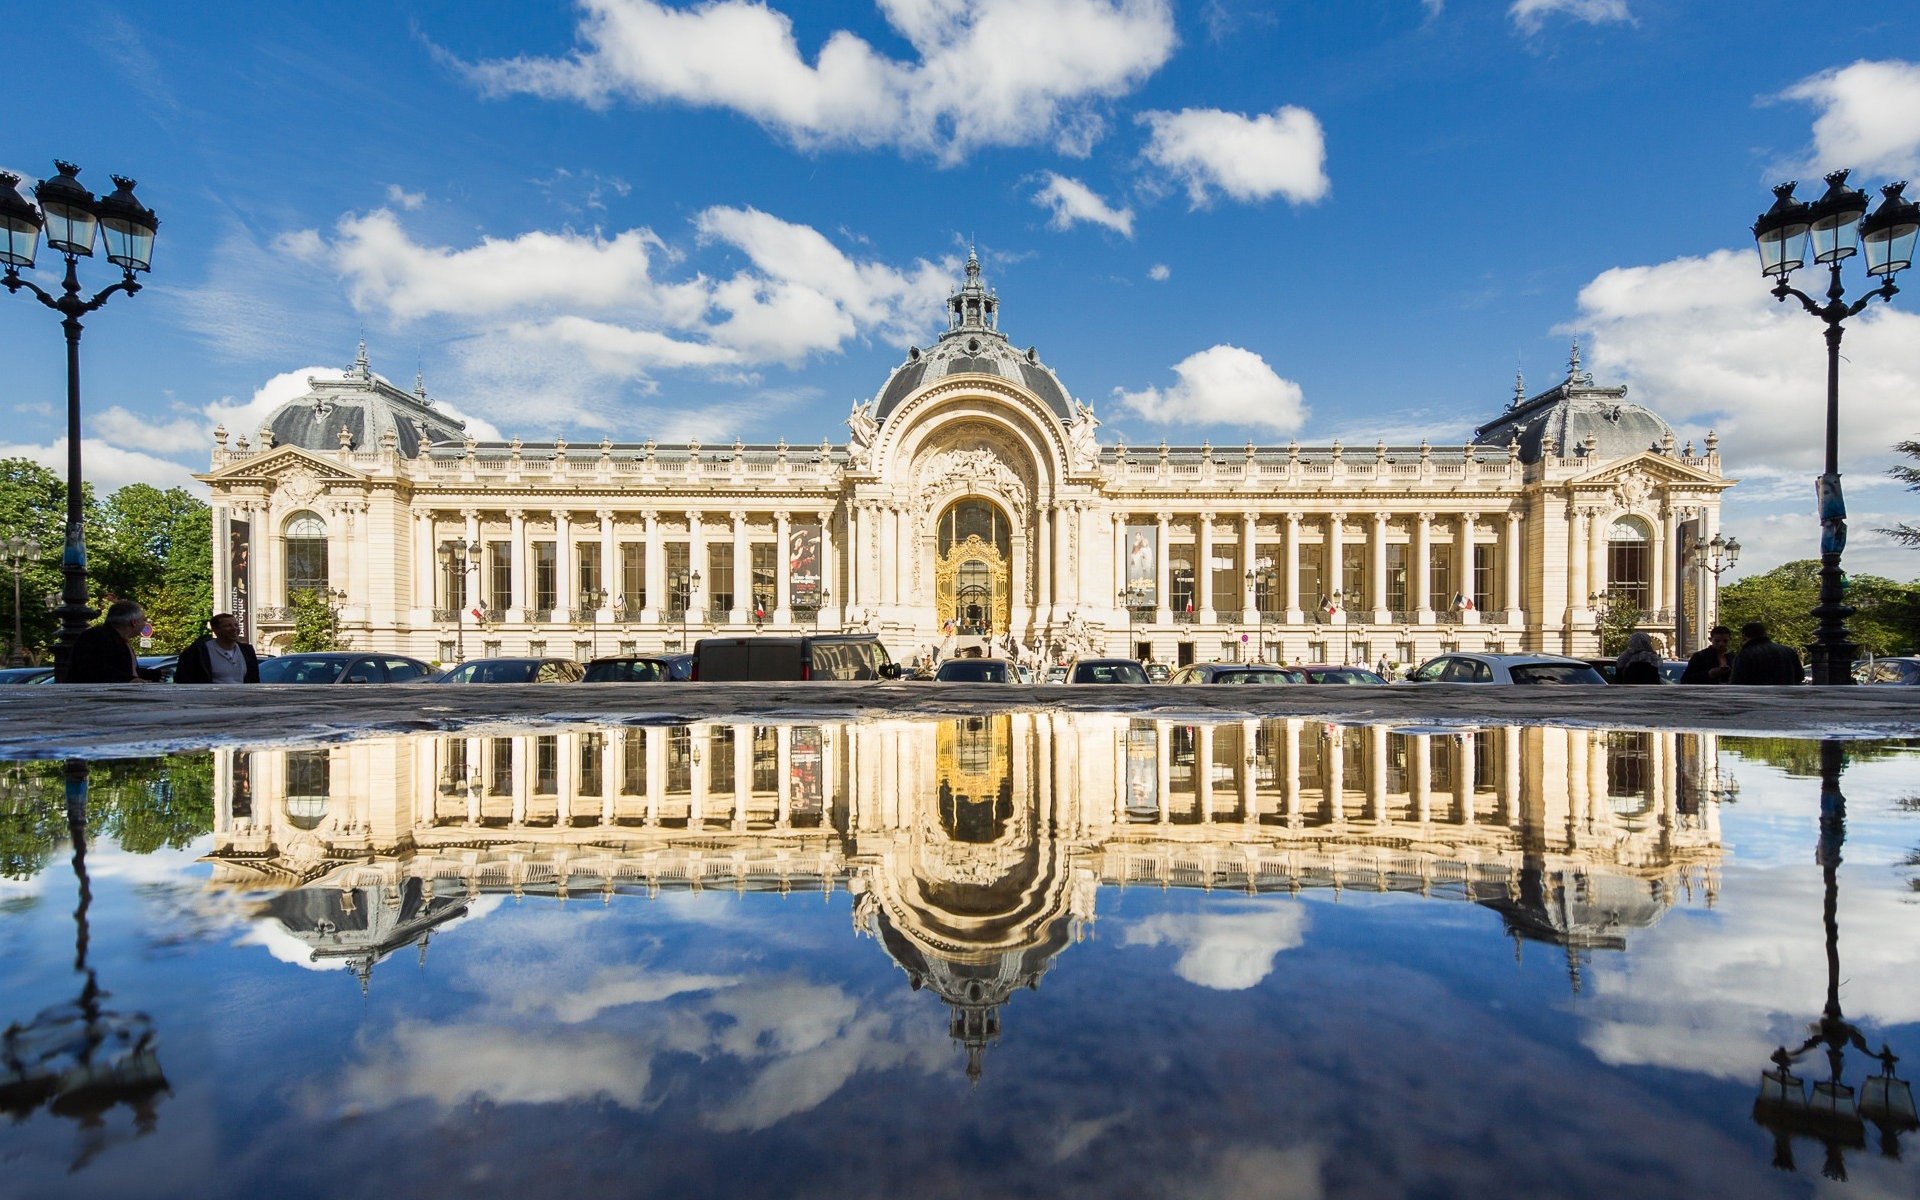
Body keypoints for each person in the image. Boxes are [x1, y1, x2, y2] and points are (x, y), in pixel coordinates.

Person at [64, 599, 146, 684]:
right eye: (144, 620)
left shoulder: (118, 639)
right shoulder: (96, 636)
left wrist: (157, 674)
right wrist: (128, 680)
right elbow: (94, 669)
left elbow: (129, 671)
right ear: (134, 622)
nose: (145, 623)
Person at [174, 613, 260, 684]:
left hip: (241, 701)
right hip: (210, 702)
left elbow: (254, 680)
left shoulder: (247, 651)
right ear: (215, 630)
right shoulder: (198, 653)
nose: (234, 628)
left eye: (236, 625)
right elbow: (184, 680)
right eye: (228, 626)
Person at [1729, 621, 1804, 685]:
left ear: (1744, 636)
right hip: (1786, 697)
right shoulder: (1788, 651)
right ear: (1765, 633)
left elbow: (1737, 682)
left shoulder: (1745, 655)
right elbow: (1800, 676)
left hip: (1758, 697)